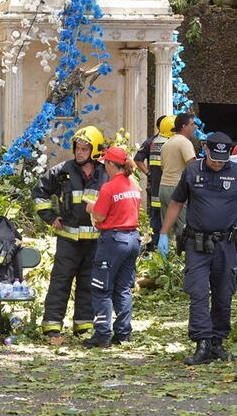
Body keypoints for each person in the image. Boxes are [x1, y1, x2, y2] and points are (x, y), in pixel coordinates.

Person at [158, 132, 237, 364]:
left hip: (226, 243)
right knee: (198, 292)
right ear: (205, 150)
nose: (218, 163)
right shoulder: (192, 171)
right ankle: (202, 343)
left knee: (224, 293)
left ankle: (217, 342)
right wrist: (164, 232)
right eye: (214, 159)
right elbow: (176, 202)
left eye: (223, 160)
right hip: (197, 243)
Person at [32, 126, 108, 343]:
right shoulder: (62, 171)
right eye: (77, 148)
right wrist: (50, 217)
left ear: (94, 151)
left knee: (88, 284)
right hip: (68, 239)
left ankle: (84, 326)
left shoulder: (105, 173)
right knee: (60, 282)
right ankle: (52, 327)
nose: (79, 152)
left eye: (85, 149)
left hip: (94, 241)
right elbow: (39, 192)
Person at [83, 146, 142, 348]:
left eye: (105, 164)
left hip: (113, 241)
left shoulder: (109, 187)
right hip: (133, 239)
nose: (104, 167)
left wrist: (91, 207)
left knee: (101, 288)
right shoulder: (133, 185)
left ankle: (102, 334)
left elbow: (100, 216)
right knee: (123, 288)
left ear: (110, 164)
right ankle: (123, 333)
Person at [134, 115, 173, 252]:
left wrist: (149, 174)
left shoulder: (151, 142)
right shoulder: (174, 143)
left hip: (156, 190)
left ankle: (154, 249)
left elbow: (138, 159)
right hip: (170, 190)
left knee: (156, 221)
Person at [159, 113, 197, 240]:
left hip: (163, 187)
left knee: (167, 228)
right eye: (192, 124)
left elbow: (162, 167)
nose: (195, 127)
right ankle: (181, 253)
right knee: (183, 230)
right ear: (184, 127)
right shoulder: (184, 142)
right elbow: (192, 167)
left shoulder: (167, 143)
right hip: (178, 189)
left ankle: (165, 252)